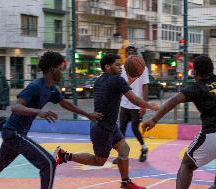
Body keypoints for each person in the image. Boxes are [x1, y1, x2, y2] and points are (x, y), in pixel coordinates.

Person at [0, 51, 102, 189]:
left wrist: (88, 114)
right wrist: (39, 112)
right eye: (61, 70)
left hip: (15, 133)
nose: (63, 73)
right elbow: (16, 107)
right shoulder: (36, 86)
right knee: (48, 163)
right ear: (52, 69)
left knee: (1, 162)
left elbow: (64, 103)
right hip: (13, 133)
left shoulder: (51, 89)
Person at [142, 55, 216, 189]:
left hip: (213, 134)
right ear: (212, 69)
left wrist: (153, 119)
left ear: (194, 72)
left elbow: (174, 100)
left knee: (187, 165)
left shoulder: (197, 87)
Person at [54, 54, 158, 189]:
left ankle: (126, 183)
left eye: (121, 64)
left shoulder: (100, 81)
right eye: (117, 64)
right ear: (107, 66)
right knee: (99, 161)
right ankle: (64, 155)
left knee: (124, 149)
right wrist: (150, 106)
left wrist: (129, 82)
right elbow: (134, 100)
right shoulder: (117, 81)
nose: (120, 67)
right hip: (102, 129)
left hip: (108, 126)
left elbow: (116, 92)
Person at [113, 45, 149, 164]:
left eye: (132, 52)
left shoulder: (142, 68)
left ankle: (144, 148)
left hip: (136, 105)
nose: (130, 54)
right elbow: (120, 86)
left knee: (134, 128)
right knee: (121, 130)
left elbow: (145, 86)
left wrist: (144, 105)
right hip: (124, 104)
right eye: (128, 52)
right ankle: (121, 155)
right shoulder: (122, 68)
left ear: (136, 54)